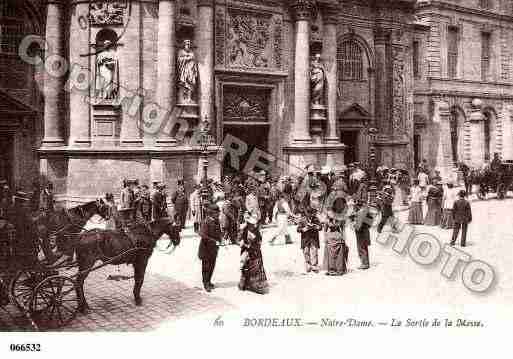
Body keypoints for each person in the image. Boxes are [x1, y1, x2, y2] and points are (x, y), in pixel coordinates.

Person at [239, 210, 269, 294]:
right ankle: (245, 284)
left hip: (255, 251)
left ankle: (255, 285)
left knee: (256, 268)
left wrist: (255, 244)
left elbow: (259, 240)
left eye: (253, 224)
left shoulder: (256, 230)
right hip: (247, 252)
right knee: (246, 267)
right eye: (250, 224)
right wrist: (244, 244)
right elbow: (239, 240)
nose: (252, 226)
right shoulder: (244, 230)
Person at [198, 203, 222, 292]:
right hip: (206, 249)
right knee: (206, 267)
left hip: (214, 249)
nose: (218, 214)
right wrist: (214, 241)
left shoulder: (217, 221)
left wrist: (220, 239)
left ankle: (209, 281)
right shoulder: (206, 221)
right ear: (211, 213)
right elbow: (202, 234)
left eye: (218, 213)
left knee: (212, 265)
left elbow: (218, 232)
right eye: (217, 213)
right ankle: (206, 283)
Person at [324, 197, 349, 276]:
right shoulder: (331, 217)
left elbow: (343, 229)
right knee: (334, 254)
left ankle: (337, 269)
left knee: (338, 254)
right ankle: (335, 269)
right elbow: (325, 229)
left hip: (336, 236)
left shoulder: (340, 217)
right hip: (333, 236)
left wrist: (344, 238)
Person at [297, 206, 321, 273]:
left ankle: (314, 266)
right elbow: (298, 229)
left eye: (311, 213)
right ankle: (308, 265)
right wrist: (303, 229)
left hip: (314, 238)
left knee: (314, 252)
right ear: (306, 213)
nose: (310, 214)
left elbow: (320, 227)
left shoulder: (316, 219)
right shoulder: (302, 219)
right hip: (305, 238)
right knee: (306, 252)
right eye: (308, 213)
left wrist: (316, 227)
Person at [350, 200, 371, 270]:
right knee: (363, 247)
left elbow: (359, 224)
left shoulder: (362, 212)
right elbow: (369, 223)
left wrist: (354, 220)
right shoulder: (364, 211)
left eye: (356, 206)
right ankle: (365, 262)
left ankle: (365, 263)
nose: (355, 207)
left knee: (361, 247)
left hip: (362, 232)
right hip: (363, 231)